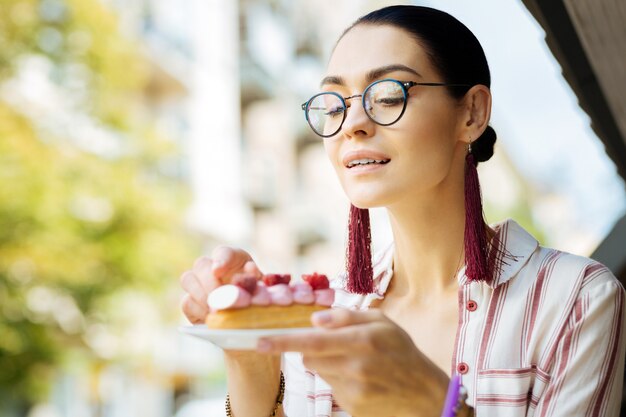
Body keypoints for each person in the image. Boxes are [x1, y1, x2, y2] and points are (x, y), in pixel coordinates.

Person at [179, 5, 625, 417]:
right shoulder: (322, 311)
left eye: (389, 95)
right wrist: (248, 357)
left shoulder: (575, 299)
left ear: (471, 113)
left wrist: (437, 403)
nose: (352, 124)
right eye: (334, 104)